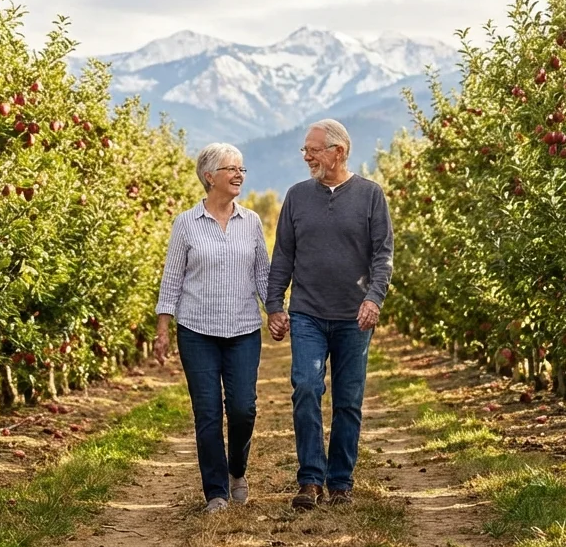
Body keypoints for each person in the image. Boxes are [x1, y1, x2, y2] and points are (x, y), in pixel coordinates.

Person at [265, 119, 393, 509]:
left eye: (314, 149)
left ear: (339, 151)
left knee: (348, 400)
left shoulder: (370, 196)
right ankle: (310, 480)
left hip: (354, 317)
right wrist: (274, 305)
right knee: (306, 387)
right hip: (307, 313)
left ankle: (340, 483)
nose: (307, 156)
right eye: (305, 150)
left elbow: (382, 255)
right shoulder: (297, 197)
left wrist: (374, 298)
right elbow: (283, 255)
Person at [153, 143, 277, 514]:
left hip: (242, 329)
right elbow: (172, 278)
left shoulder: (251, 222)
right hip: (196, 330)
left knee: (243, 409)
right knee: (207, 412)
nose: (239, 174)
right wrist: (163, 328)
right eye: (231, 169)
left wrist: (275, 310)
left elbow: (263, 274)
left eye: (242, 169)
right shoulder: (186, 223)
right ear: (209, 177)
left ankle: (237, 470)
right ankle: (216, 493)